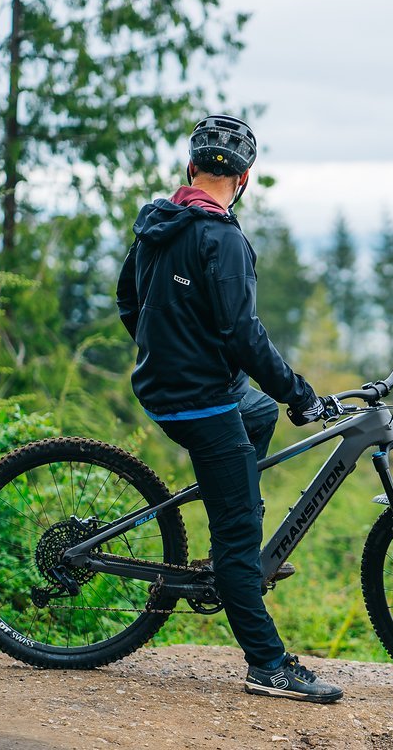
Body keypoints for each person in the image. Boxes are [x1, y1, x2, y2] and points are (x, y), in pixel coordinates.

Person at [116, 114, 344, 703]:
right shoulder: (224, 240)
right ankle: (265, 663)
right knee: (242, 537)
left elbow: (127, 299)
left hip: (168, 386)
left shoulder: (157, 222)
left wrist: (162, 350)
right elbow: (245, 335)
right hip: (197, 402)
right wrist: (300, 394)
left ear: (193, 169)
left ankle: (230, 527)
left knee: (258, 413)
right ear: (243, 179)